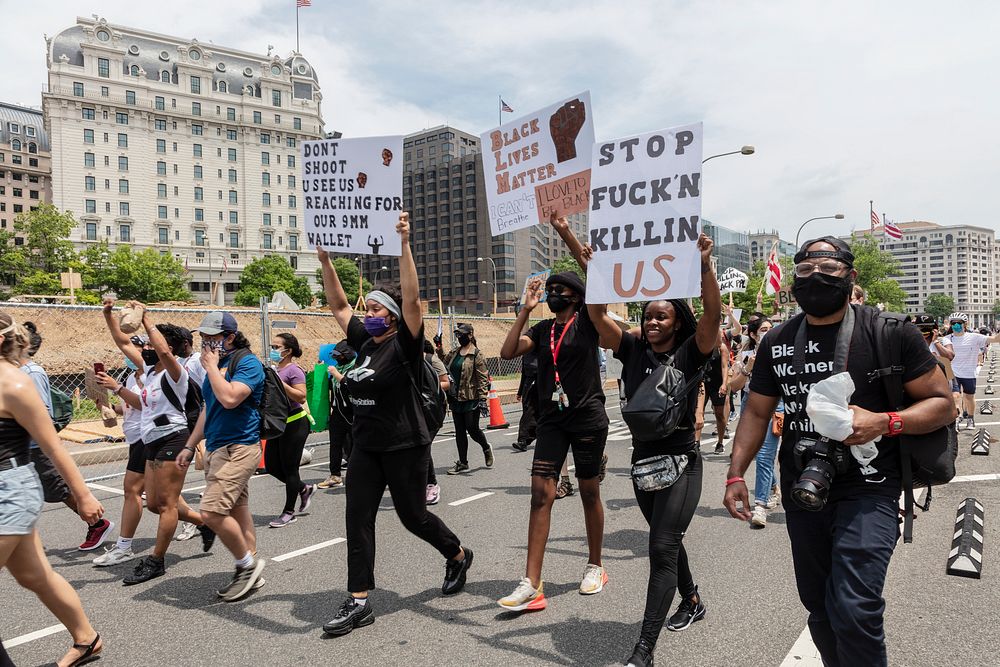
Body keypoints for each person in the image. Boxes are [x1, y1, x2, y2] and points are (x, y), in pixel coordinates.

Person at [725, 237, 954, 666]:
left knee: (854, 605)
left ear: (851, 276)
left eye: (827, 270)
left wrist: (885, 421)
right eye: (804, 272)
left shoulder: (888, 331)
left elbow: (944, 404)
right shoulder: (778, 339)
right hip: (804, 488)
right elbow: (756, 413)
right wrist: (736, 473)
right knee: (821, 609)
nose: (815, 279)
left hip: (871, 487)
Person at [316, 212, 472, 637]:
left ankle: (457, 554)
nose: (368, 314)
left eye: (376, 309)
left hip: (405, 445)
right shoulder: (364, 342)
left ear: (393, 316)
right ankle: (359, 600)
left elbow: (414, 301)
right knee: (357, 519)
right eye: (367, 309)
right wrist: (326, 260)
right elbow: (337, 304)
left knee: (413, 516)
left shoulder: (405, 344)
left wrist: (404, 242)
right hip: (366, 446)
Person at [587, 233, 718, 667]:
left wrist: (704, 267)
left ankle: (643, 650)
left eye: (662, 316)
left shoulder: (690, 353)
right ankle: (692, 599)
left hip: (682, 461)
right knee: (667, 541)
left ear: (677, 321)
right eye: (648, 317)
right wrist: (597, 271)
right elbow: (596, 314)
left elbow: (712, 320)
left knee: (661, 547)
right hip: (643, 464)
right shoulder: (632, 347)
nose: (654, 322)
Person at [497, 214, 609, 612]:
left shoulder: (589, 323)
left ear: (577, 297)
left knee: (589, 490)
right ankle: (532, 582)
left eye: (562, 290)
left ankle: (595, 564)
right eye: (551, 290)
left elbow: (596, 278)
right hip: (552, 420)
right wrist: (525, 310)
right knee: (540, 494)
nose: (554, 295)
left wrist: (564, 230)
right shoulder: (543, 330)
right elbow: (508, 353)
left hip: (587, 417)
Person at [0, 311, 106, 667]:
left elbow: (54, 447)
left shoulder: (15, 384)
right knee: (35, 575)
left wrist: (85, 496)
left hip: (10, 490)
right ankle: (87, 639)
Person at [176, 311, 267, 602]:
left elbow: (230, 398)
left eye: (212, 338)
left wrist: (212, 368)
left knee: (211, 512)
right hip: (217, 448)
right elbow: (209, 409)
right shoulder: (219, 364)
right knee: (238, 512)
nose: (205, 343)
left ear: (229, 337)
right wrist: (190, 445)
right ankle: (251, 570)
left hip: (239, 447)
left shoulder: (247, 363)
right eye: (202, 338)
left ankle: (246, 566)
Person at [120, 302, 207, 585]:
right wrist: (109, 313)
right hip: (151, 440)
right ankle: (205, 523)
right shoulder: (150, 374)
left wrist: (146, 320)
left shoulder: (175, 372)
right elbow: (123, 342)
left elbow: (165, 351)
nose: (144, 348)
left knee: (167, 504)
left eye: (148, 345)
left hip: (174, 436)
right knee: (154, 505)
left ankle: (157, 560)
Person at [19, 321, 114, 552]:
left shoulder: (32, 372)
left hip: (34, 444)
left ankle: (98, 524)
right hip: (18, 446)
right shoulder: (13, 371)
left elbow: (43, 413)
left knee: (58, 489)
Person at [90, 305, 149, 566]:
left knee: (132, 490)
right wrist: (107, 407)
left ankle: (124, 546)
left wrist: (116, 388)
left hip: (150, 437)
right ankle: (202, 521)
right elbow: (127, 406)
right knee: (163, 500)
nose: (127, 352)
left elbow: (144, 404)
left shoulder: (151, 374)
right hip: (136, 436)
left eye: (134, 348)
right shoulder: (130, 374)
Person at [728, 315, 781, 528]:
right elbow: (734, 386)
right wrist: (748, 367)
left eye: (770, 328)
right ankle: (772, 488)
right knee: (763, 456)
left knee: (765, 455)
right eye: (763, 329)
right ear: (753, 334)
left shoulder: (780, 352)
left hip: (778, 405)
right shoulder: (746, 355)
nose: (768, 332)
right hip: (752, 406)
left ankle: (760, 505)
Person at [265, 333, 316, 528]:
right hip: (277, 424)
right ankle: (303, 488)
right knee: (271, 466)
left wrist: (280, 383)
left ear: (288, 351)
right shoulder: (274, 369)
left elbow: (301, 397)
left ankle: (288, 512)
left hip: (295, 423)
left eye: (277, 347)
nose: (273, 350)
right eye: (273, 346)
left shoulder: (294, 370)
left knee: (290, 468)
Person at [435, 323, 493, 474]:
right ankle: (463, 462)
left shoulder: (476, 355)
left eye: (462, 335)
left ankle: (486, 447)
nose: (460, 337)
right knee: (459, 430)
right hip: (456, 397)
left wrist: (482, 399)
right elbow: (443, 364)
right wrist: (439, 347)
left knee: (472, 428)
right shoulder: (454, 353)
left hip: (471, 398)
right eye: (458, 335)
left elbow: (482, 379)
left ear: (470, 335)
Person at [174, 326, 205, 542]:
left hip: (200, 419)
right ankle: (196, 519)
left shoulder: (196, 362)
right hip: (183, 419)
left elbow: (208, 389)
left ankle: (198, 519)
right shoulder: (176, 363)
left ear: (185, 343)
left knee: (208, 466)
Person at [945, 312, 1000, 430]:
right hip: (952, 372)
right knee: (955, 396)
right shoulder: (946, 339)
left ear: (965, 324)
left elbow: (995, 339)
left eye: (958, 323)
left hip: (969, 372)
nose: (956, 325)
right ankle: (957, 418)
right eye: (953, 323)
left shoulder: (974, 337)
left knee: (969, 397)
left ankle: (970, 417)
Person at [318, 341, 355, 490]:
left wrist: (337, 375)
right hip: (338, 412)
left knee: (356, 444)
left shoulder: (355, 368)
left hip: (354, 412)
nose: (336, 358)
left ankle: (358, 473)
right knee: (335, 444)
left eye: (338, 355)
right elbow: (331, 390)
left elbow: (351, 386)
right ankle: (335, 475)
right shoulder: (336, 368)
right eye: (334, 355)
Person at [424, 339, 450, 505]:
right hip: (411, 411)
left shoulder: (431, 360)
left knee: (423, 446)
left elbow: (446, 382)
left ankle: (431, 485)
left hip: (432, 409)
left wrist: (428, 387)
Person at [512, 348, 539, 453]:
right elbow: (524, 374)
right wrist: (520, 392)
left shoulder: (545, 350)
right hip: (528, 386)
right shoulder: (526, 354)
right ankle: (523, 441)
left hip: (542, 385)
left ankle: (526, 439)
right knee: (527, 413)